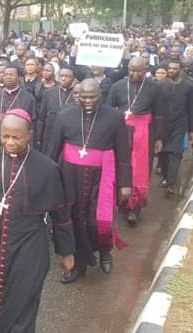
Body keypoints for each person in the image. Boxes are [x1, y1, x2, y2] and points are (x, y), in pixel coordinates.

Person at [0, 109, 75, 333]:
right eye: (5, 136)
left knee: (23, 301)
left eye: (16, 137)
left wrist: (67, 252)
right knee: (1, 298)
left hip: (30, 244)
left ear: (29, 135)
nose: (9, 142)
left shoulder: (47, 168)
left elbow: (60, 214)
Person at [46, 79, 131, 282]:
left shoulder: (115, 117)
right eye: (83, 97)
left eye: (92, 96)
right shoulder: (65, 115)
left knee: (98, 221)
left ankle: (105, 250)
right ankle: (79, 265)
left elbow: (123, 153)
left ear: (100, 95)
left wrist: (125, 184)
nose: (88, 100)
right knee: (74, 220)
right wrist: (47, 180)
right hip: (70, 178)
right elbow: (53, 148)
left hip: (100, 178)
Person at [106, 57, 166, 224]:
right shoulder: (117, 86)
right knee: (121, 166)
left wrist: (159, 138)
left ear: (145, 70)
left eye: (138, 71)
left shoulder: (153, 87)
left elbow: (159, 114)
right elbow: (108, 111)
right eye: (132, 70)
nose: (134, 74)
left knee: (140, 170)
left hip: (144, 133)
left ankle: (135, 208)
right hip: (121, 131)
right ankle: (122, 204)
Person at [157, 61, 193, 198]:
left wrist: (192, 130)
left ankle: (171, 184)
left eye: (174, 69)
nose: (171, 71)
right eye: (169, 68)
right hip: (163, 125)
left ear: (181, 70)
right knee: (163, 154)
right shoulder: (160, 85)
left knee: (176, 153)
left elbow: (191, 109)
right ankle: (166, 176)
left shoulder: (189, 87)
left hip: (179, 125)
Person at [36, 68, 75, 152]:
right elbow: (41, 118)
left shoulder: (77, 94)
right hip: (50, 134)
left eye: (67, 76)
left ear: (73, 78)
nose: (63, 78)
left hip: (68, 134)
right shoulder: (49, 93)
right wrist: (39, 137)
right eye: (61, 76)